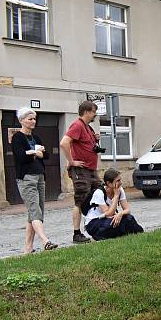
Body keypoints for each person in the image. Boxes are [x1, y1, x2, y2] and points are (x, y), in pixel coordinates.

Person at [11, 107, 57, 254]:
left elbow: (47, 155)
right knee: (34, 210)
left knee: (37, 212)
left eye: (34, 118)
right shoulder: (18, 137)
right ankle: (46, 241)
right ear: (21, 121)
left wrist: (39, 153)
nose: (33, 121)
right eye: (30, 119)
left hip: (40, 176)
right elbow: (20, 157)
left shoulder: (36, 138)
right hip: (26, 178)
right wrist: (33, 153)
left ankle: (28, 248)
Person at [60, 100, 101, 244]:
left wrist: (94, 139)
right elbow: (64, 143)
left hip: (91, 170)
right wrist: (71, 161)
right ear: (87, 112)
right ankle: (76, 234)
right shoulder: (77, 125)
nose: (95, 114)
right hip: (81, 170)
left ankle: (98, 226)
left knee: (98, 195)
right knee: (80, 200)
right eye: (93, 111)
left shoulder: (88, 127)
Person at [82, 168, 144, 240]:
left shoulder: (119, 189)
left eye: (120, 180)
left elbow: (127, 209)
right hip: (93, 223)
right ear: (109, 183)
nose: (120, 183)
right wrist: (116, 196)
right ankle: (99, 235)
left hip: (107, 219)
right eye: (118, 181)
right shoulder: (99, 193)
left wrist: (120, 214)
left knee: (128, 218)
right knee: (115, 224)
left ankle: (138, 232)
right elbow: (109, 214)